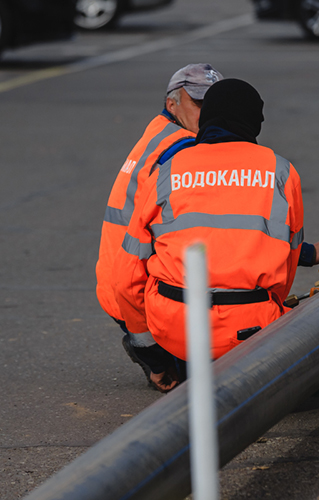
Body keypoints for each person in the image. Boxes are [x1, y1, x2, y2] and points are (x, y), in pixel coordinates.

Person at [114, 79, 319, 389]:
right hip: (251, 326)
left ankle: (184, 369)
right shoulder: (281, 172)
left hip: (175, 327)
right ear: (253, 123)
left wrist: (153, 357)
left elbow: (127, 277)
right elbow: (286, 264)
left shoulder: (166, 171)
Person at [95, 64, 223, 392]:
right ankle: (156, 353)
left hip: (115, 283)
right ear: (172, 104)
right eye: (198, 104)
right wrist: (153, 357)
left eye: (215, 105)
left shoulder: (158, 131)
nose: (209, 114)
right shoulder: (183, 151)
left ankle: (157, 350)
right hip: (134, 294)